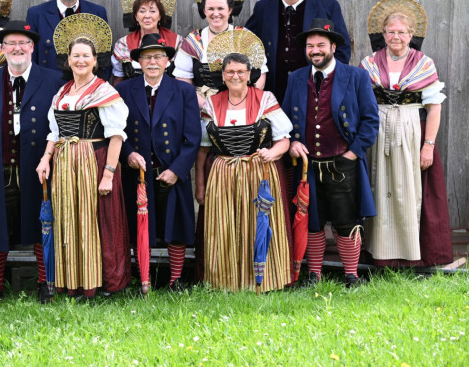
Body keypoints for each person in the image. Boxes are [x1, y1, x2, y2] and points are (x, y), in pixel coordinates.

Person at [35, 14, 130, 298]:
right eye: (75, 55)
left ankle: (96, 282)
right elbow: (54, 132)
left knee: (92, 220)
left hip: (92, 160)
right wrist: (45, 158)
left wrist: (109, 174)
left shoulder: (104, 91)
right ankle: (71, 281)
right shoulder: (62, 92)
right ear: (68, 59)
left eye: (85, 55)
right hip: (64, 163)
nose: (80, 60)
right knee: (68, 219)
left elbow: (116, 135)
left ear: (95, 60)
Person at [0, 20, 64, 302]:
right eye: (11, 43)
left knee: (41, 221)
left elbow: (61, 124)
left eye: (23, 43)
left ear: (32, 47)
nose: (17, 48)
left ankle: (45, 282)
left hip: (38, 167)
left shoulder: (52, 79)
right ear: (2, 48)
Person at [283, 19, 379, 287]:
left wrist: (352, 153)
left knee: (346, 220)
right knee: (311, 221)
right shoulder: (296, 78)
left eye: (321, 45)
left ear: (333, 47)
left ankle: (352, 274)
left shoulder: (356, 76)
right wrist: (291, 141)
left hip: (342, 163)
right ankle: (314, 275)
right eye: (310, 46)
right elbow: (284, 118)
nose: (315, 50)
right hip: (307, 165)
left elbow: (371, 120)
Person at [360, 0, 452, 267]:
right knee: (381, 188)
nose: (396, 36)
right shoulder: (368, 63)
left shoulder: (424, 64)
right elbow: (359, 101)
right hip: (378, 131)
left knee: (408, 189)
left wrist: (428, 145)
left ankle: (411, 252)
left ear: (412, 35)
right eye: (391, 31)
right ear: (383, 35)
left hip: (412, 130)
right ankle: (380, 252)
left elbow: (434, 109)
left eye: (402, 32)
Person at [196, 47, 293, 292]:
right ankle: (226, 281)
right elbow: (203, 149)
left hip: (257, 171)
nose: (235, 76)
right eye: (230, 71)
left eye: (241, 71)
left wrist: (271, 153)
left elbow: (284, 139)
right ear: (223, 75)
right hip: (223, 173)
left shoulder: (265, 99)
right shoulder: (212, 103)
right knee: (225, 227)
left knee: (257, 225)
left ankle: (262, 280)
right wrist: (200, 185)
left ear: (249, 74)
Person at [115, 34, 201, 290]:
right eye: (147, 57)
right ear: (139, 61)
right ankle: (144, 278)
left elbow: (193, 136)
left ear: (167, 61)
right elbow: (117, 130)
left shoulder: (183, 90)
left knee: (176, 224)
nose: (152, 62)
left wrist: (177, 170)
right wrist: (127, 153)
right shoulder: (123, 90)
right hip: (137, 171)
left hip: (172, 170)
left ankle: (175, 279)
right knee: (140, 225)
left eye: (158, 57)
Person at [245, 0, 351, 102]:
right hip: (273, 91)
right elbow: (247, 43)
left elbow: (342, 48)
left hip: (316, 90)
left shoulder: (328, 5)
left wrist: (329, 82)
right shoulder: (263, 8)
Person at [25, 0, 107, 71]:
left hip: (87, 86)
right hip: (49, 84)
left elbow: (104, 57)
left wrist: (96, 86)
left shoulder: (97, 12)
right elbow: (31, 56)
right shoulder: (36, 14)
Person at [112, 0, 182, 84]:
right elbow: (119, 80)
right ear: (135, 16)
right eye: (142, 11)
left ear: (160, 16)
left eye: (152, 11)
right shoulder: (123, 45)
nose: (147, 16)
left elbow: (182, 80)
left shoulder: (177, 42)